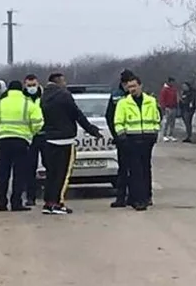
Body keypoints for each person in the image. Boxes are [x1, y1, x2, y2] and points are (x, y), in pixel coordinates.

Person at [40, 72, 102, 215]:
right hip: (65, 140)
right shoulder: (64, 95)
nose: (65, 84)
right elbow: (77, 114)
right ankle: (58, 203)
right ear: (59, 82)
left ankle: (48, 203)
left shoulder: (43, 96)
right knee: (62, 174)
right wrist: (92, 130)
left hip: (49, 139)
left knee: (51, 174)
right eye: (63, 81)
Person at [0, 80, 44, 211]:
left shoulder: (0, 103)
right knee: (19, 174)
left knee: (3, 174)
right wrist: (31, 131)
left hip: (4, 141)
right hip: (22, 141)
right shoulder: (28, 104)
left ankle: (2, 203)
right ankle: (16, 203)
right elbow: (38, 121)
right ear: (21, 90)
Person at [114, 76, 160, 210]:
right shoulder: (123, 103)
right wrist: (123, 138)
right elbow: (118, 122)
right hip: (131, 140)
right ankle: (138, 200)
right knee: (136, 171)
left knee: (146, 168)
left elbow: (156, 119)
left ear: (141, 86)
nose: (132, 89)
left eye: (134, 86)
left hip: (147, 139)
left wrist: (155, 133)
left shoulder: (151, 101)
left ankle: (147, 196)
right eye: (129, 87)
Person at [105, 69, 134, 208]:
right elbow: (109, 116)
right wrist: (117, 134)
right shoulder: (116, 96)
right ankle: (121, 197)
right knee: (123, 169)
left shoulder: (139, 96)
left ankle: (136, 196)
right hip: (123, 139)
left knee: (137, 169)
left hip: (138, 137)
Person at [22, 74, 44, 206]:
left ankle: (51, 197)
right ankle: (31, 197)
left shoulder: (45, 96)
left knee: (50, 166)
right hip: (29, 136)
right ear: (24, 85)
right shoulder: (22, 98)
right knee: (29, 168)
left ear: (38, 83)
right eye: (29, 85)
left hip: (45, 134)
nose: (31, 88)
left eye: (33, 85)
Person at [159, 76, 179, 142]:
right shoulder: (164, 89)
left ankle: (171, 135)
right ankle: (164, 135)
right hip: (167, 107)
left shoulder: (174, 89)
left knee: (172, 122)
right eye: (172, 82)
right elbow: (162, 99)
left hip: (173, 107)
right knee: (166, 122)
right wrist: (164, 107)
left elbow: (175, 98)